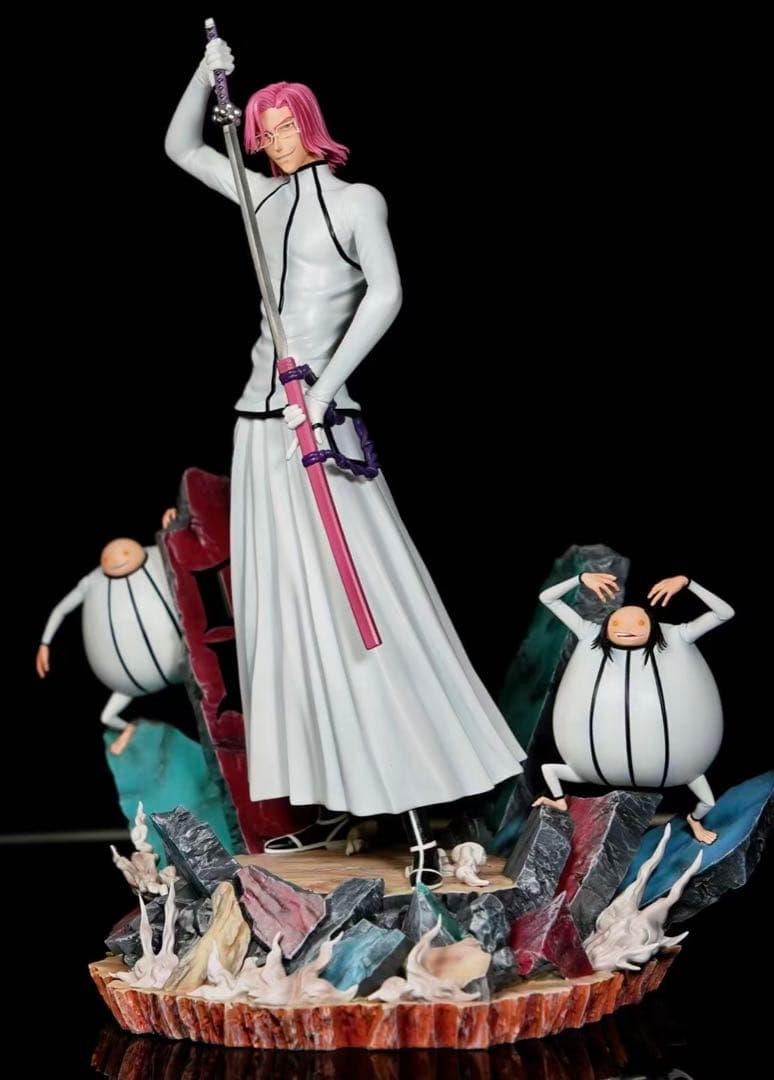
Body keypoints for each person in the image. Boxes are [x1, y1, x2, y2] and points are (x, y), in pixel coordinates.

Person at [164, 37, 524, 885]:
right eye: (264, 128)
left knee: (364, 596)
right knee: (286, 608)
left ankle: (420, 792)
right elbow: (180, 147)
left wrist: (323, 391)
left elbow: (388, 293)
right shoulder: (259, 195)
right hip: (259, 425)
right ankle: (335, 796)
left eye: (286, 124)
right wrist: (206, 74)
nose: (275, 139)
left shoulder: (358, 200)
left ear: (311, 123)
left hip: (317, 423)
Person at [534, 572, 734, 844]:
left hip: (677, 765)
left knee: (707, 801)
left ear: (651, 624)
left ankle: (694, 820)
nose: (626, 629)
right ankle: (559, 801)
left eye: (639, 623)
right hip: (592, 764)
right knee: (550, 770)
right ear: (608, 624)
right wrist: (580, 578)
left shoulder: (677, 637)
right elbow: (547, 598)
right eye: (616, 623)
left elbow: (724, 613)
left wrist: (688, 583)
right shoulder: (590, 634)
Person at [37, 534, 185, 756]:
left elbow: (182, 547)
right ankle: (129, 729)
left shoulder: (159, 554)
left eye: (124, 553)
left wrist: (172, 526)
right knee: (106, 716)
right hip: (128, 683)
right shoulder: (92, 582)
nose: (117, 561)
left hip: (184, 662)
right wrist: (45, 643)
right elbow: (60, 609)